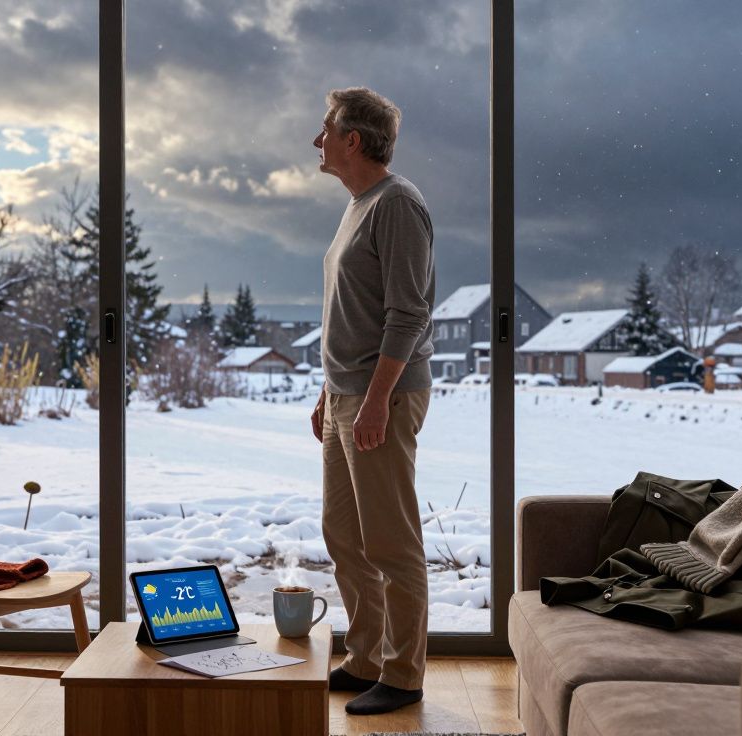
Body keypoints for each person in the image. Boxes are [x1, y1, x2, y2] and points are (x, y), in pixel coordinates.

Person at [310, 86, 435, 716]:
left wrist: (377, 401)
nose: (318, 140)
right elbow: (351, 313)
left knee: (390, 541)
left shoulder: (397, 204)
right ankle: (365, 659)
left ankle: (403, 674)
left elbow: (408, 314)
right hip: (346, 396)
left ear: (352, 140)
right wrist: (327, 392)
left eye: (326, 129)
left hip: (381, 397)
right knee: (345, 535)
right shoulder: (358, 207)